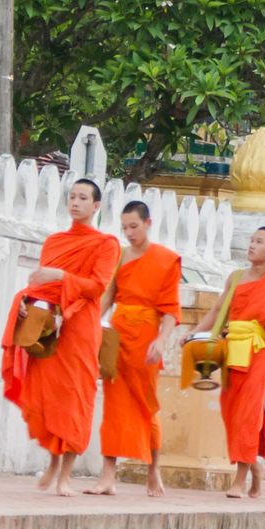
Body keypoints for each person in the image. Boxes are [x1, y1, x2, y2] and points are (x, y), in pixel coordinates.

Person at [1, 179, 120, 496]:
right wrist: (25, 301)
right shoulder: (55, 242)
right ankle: (53, 461)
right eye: (72, 197)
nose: (75, 203)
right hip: (50, 325)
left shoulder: (106, 244)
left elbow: (96, 287)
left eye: (83, 198)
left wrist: (61, 275)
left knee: (75, 397)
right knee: (48, 396)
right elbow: (42, 287)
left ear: (96, 206)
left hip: (80, 326)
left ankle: (65, 475)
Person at [192, 227, 265, 499]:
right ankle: (255, 467)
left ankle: (238, 481)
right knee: (230, 415)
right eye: (252, 240)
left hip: (256, 356)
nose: (251, 245)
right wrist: (194, 333)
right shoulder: (236, 277)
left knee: (247, 418)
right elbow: (219, 311)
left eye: (259, 242)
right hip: (230, 353)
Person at [85, 201, 181, 497]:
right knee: (113, 407)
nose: (129, 233)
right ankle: (107, 476)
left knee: (145, 404)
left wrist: (161, 340)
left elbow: (170, 309)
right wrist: (91, 327)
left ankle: (153, 470)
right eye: (125, 227)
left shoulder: (166, 260)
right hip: (118, 335)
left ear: (148, 223)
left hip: (146, 339)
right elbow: (108, 297)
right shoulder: (121, 256)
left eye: (134, 226)